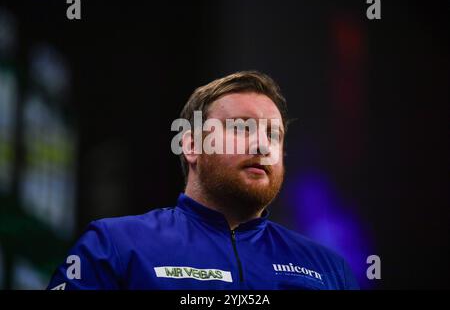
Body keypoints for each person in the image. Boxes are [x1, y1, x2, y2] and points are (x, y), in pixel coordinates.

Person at [47, 71, 359, 290]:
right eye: (241, 128)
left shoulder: (329, 270)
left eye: (273, 135)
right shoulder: (114, 245)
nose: (262, 146)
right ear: (192, 146)